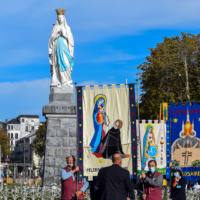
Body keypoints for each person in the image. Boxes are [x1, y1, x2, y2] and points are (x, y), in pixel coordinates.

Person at [49, 9, 74, 88]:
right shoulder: (55, 28)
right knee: (58, 64)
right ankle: (61, 81)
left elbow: (71, 40)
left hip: (65, 48)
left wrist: (64, 35)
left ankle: (67, 81)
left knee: (66, 64)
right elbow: (51, 39)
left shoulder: (67, 28)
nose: (60, 19)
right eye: (59, 18)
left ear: (64, 19)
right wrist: (56, 35)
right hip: (57, 48)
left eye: (61, 18)